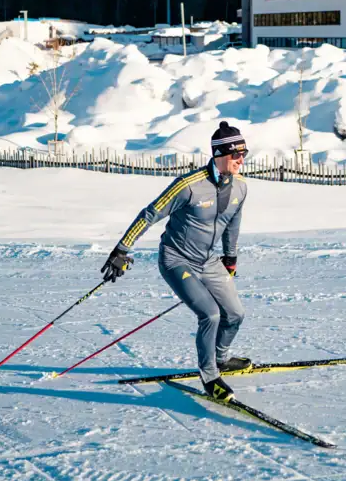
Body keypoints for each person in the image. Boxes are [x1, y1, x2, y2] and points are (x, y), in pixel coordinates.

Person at [101, 121, 249, 401]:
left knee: (235, 314)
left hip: (209, 262)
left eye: (244, 154)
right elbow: (151, 213)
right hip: (176, 260)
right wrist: (122, 249)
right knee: (210, 314)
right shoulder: (188, 186)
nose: (241, 160)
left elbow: (233, 224)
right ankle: (210, 376)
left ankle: (221, 359)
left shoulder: (240, 188)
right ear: (219, 155)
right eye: (235, 154)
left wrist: (230, 257)